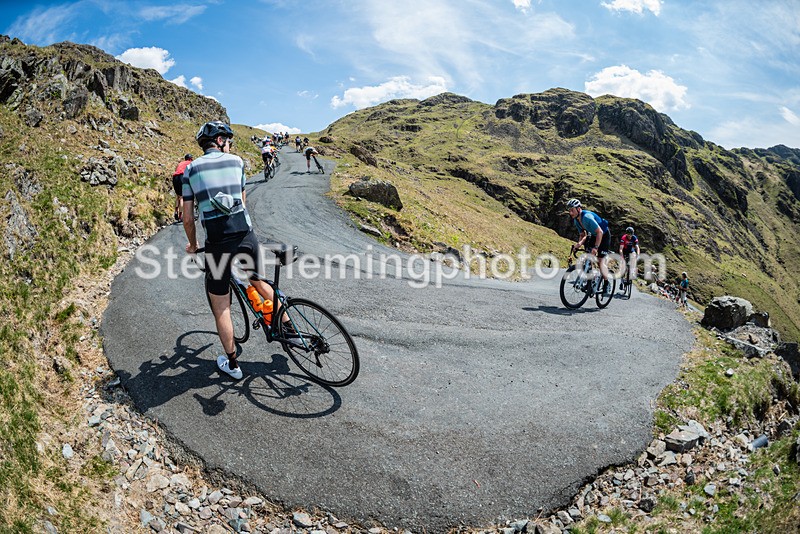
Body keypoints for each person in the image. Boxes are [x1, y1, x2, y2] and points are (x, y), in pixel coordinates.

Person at [182, 121, 280, 380]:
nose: (230, 144)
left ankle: (233, 365)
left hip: (217, 244)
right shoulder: (237, 162)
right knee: (258, 281)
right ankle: (288, 327)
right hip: (245, 235)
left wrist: (193, 245)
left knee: (222, 306)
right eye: (228, 139)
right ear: (221, 140)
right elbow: (243, 201)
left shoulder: (190, 170)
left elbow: (188, 218)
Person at [566, 198, 612, 294]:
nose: (570, 213)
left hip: (603, 235)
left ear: (578, 209)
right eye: (569, 210)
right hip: (593, 235)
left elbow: (600, 232)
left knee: (600, 260)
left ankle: (607, 283)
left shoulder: (587, 217)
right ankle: (589, 281)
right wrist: (578, 245)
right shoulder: (576, 220)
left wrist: (595, 248)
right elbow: (583, 235)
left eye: (572, 210)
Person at [171, 154, 193, 221]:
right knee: (182, 197)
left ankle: (175, 212)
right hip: (181, 176)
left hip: (175, 177)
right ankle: (180, 216)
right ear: (190, 159)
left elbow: (176, 170)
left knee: (178, 196)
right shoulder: (190, 163)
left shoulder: (180, 163)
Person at [618, 226, 640, 290]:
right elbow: (621, 249)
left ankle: (632, 271)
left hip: (630, 250)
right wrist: (622, 257)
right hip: (624, 251)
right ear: (626, 233)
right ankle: (622, 282)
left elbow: (637, 247)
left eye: (631, 235)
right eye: (628, 235)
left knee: (634, 255)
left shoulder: (634, 237)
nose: (629, 236)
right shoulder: (623, 238)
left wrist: (638, 255)